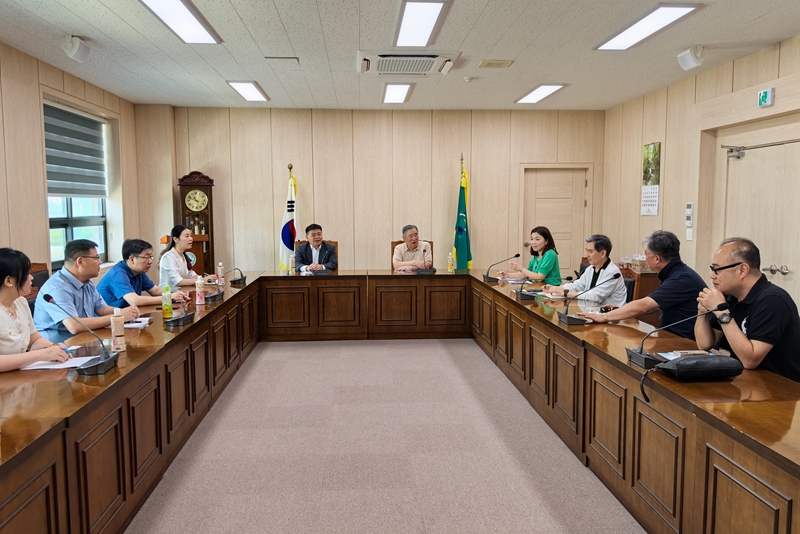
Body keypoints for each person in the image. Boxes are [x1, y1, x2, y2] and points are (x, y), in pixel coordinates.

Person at [695, 237, 800, 382]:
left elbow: (750, 361)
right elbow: (704, 344)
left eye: (717, 269)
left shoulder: (773, 301)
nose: (712, 276)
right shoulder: (731, 297)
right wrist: (702, 312)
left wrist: (722, 313)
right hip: (742, 379)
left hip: (777, 387)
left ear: (742, 270)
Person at [579, 231, 706, 339]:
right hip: (673, 336)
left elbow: (644, 306)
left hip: (685, 342)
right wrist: (619, 310)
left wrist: (604, 317)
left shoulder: (680, 279)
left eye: (646, 255)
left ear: (657, 259)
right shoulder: (677, 273)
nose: (645, 259)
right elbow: (656, 304)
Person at [34, 239, 139, 335]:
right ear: (80, 262)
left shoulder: (87, 281)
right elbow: (74, 326)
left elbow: (103, 309)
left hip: (84, 338)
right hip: (58, 345)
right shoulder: (58, 289)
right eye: (96, 258)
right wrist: (119, 317)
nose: (100, 262)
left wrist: (126, 312)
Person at [0, 248, 72, 372]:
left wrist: (54, 348)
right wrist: (41, 355)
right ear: (8, 281)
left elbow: (34, 340)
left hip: (20, 375)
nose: (32, 278)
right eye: (27, 274)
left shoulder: (21, 302)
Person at [98, 239, 188, 308]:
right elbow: (135, 301)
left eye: (151, 257)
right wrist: (169, 298)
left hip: (127, 315)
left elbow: (155, 291)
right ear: (132, 259)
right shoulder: (118, 274)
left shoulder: (138, 271)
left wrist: (177, 295)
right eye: (146, 257)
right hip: (109, 321)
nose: (150, 261)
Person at [542, 234, 627, 307]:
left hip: (612, 315)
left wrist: (564, 293)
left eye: (590, 251)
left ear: (603, 253)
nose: (587, 255)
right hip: (593, 311)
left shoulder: (612, 273)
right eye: (586, 251)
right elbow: (577, 286)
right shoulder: (591, 268)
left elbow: (595, 296)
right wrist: (556, 288)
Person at [497, 226, 561, 285]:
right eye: (532, 239)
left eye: (537, 239)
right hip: (538, 288)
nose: (533, 242)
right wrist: (507, 275)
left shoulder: (550, 253)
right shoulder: (536, 256)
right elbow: (526, 274)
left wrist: (520, 268)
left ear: (546, 241)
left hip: (551, 290)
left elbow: (540, 277)